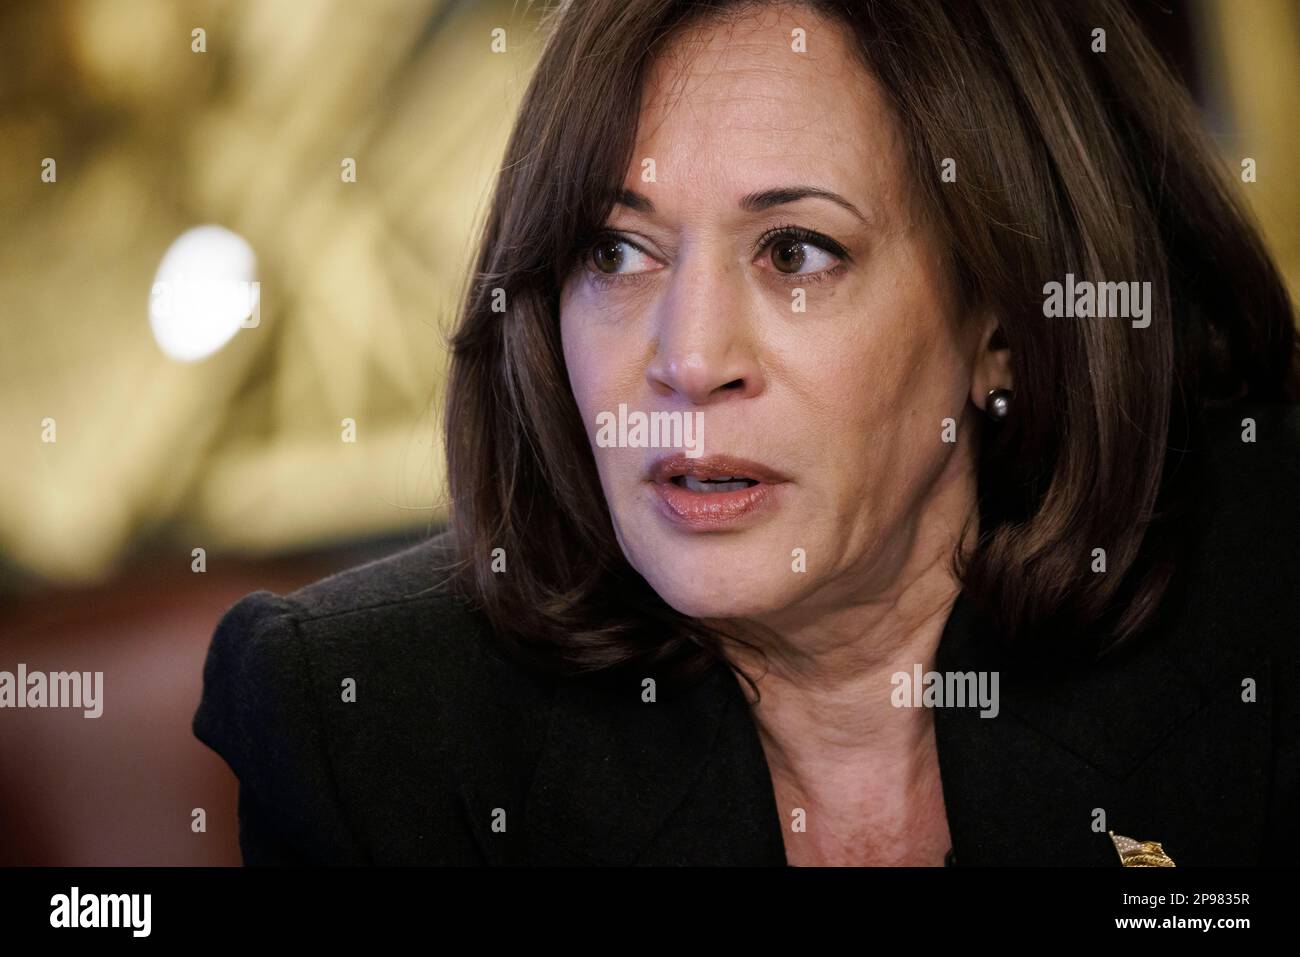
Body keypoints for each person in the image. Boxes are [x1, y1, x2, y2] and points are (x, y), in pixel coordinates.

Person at [193, 0, 1300, 866]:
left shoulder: (1263, 599)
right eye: (616, 254)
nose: (687, 358)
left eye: (795, 253)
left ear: (997, 324)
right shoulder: (368, 728)